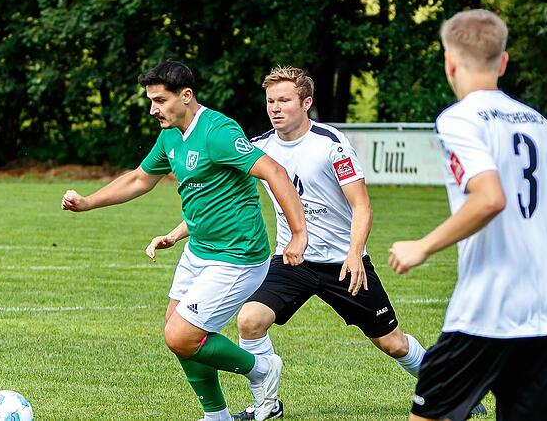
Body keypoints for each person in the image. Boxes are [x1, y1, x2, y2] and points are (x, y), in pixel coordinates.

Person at [150, 66, 481, 421]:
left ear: (306, 103)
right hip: (292, 260)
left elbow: (362, 206)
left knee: (392, 343)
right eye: (270, 101)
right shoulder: (259, 146)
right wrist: (176, 233)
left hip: (342, 262)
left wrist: (355, 255)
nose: (275, 108)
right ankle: (267, 405)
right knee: (250, 320)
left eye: (284, 101)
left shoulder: (330, 145)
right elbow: (219, 197)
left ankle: (451, 389)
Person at [62, 61, 308, 421]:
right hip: (200, 250)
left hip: (237, 256)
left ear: (186, 96)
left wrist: (298, 234)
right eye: (150, 100)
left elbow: (274, 171)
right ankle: (216, 416)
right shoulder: (170, 136)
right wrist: (87, 203)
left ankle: (260, 368)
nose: (153, 109)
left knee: (182, 336)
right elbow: (139, 179)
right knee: (177, 334)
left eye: (160, 100)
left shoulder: (218, 131)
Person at [388, 9, 547, 421]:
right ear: (502, 62)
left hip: (486, 309)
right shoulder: (539, 122)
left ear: (449, 62)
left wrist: (422, 246)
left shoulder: (459, 119)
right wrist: (540, 256)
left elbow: (489, 198)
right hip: (545, 312)